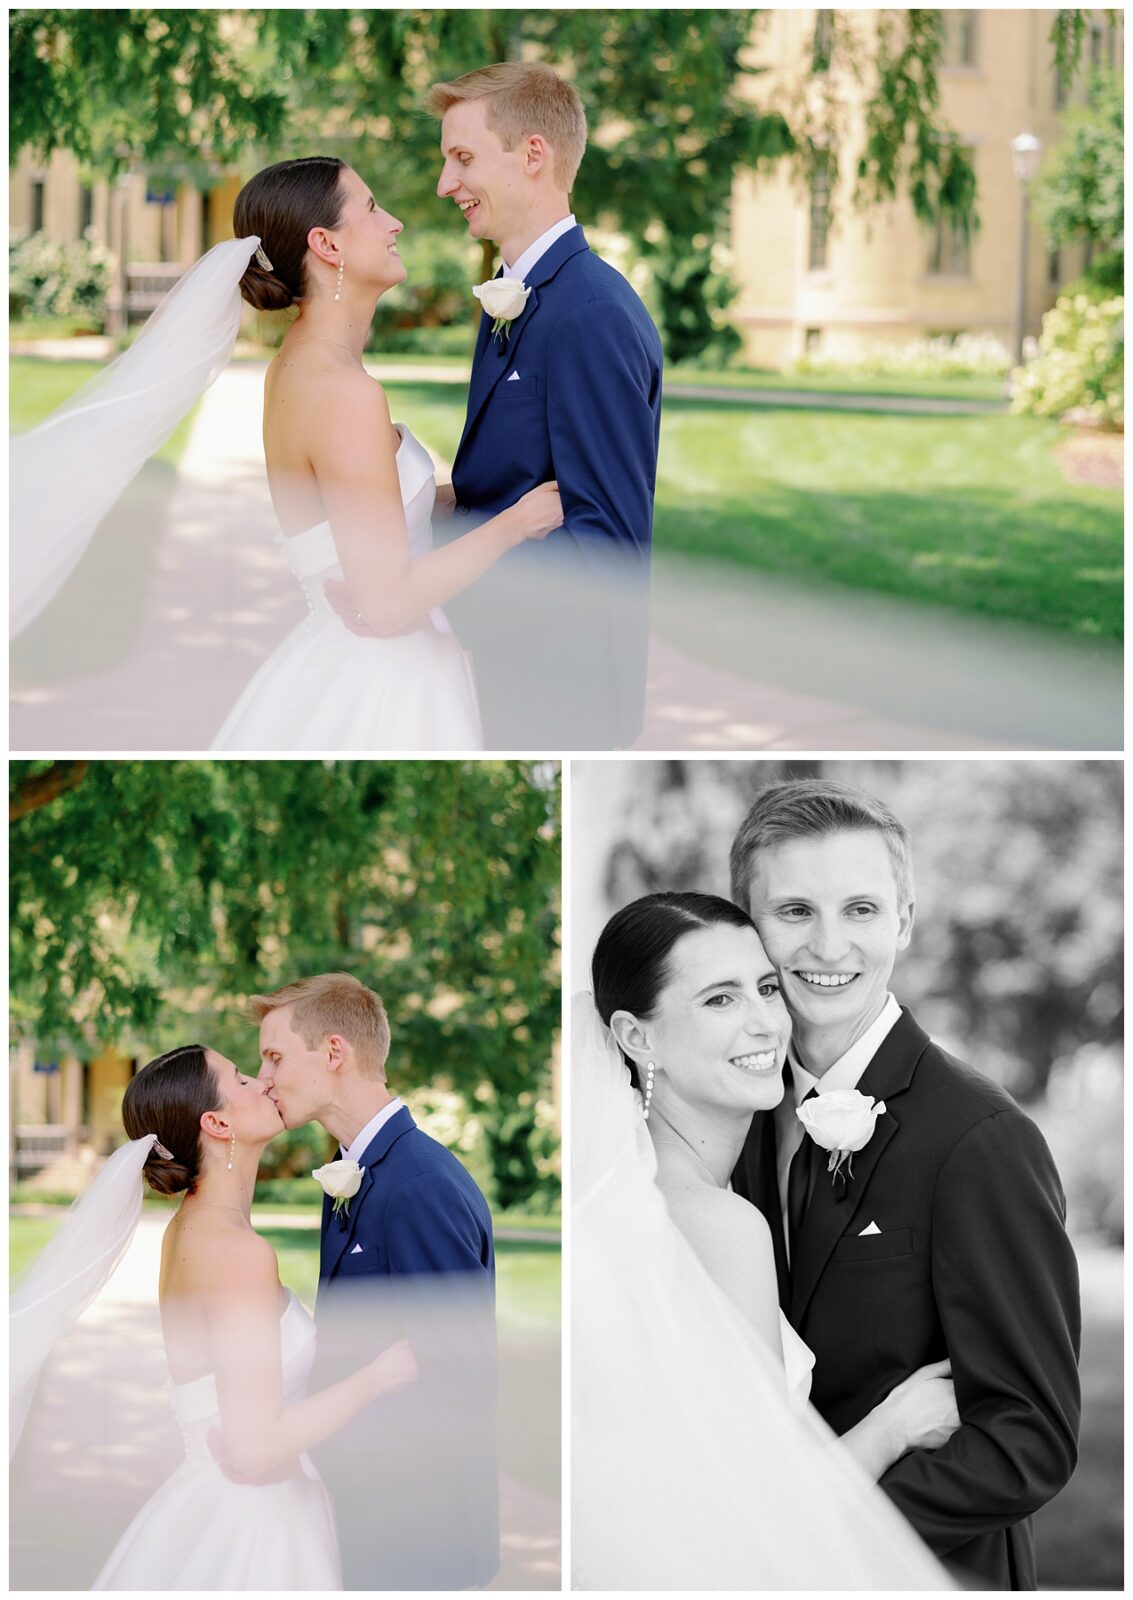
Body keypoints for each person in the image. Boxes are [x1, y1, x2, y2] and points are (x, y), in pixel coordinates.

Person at [10, 157, 563, 752]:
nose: (394, 222)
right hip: (385, 684)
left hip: (354, 660)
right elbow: (386, 604)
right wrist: (516, 524)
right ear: (326, 244)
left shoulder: (299, 368)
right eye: (372, 209)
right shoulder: (340, 392)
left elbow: (367, 509)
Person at [729, 778, 1082, 1589]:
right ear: (748, 926)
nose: (828, 947)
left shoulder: (979, 1140)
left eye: (860, 910)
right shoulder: (736, 1117)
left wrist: (822, 1530)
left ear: (904, 921)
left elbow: (1028, 1437)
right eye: (794, 911)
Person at [574, 891, 955, 1590]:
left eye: (767, 988)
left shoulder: (645, 1200)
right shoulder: (718, 1225)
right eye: (720, 999)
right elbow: (758, 1517)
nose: (765, 1023)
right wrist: (894, 1426)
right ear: (636, 1036)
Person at [333, 63, 663, 749]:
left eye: (462, 158)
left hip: (560, 697)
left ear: (532, 154)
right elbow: (502, 486)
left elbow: (604, 547)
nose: (444, 183)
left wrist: (432, 602)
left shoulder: (590, 314)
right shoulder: (511, 297)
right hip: (505, 678)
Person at [10, 1042, 417, 1590]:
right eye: (242, 1079)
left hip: (220, 1504)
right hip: (256, 1531)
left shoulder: (190, 1230)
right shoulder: (235, 1253)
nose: (264, 1081)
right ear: (217, 1123)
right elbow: (254, 1450)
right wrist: (378, 1377)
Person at [251, 973, 499, 1591]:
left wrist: (308, 1448)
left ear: (333, 1052)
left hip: (420, 1538)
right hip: (373, 1522)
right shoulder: (352, 1171)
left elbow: (458, 1385)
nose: (264, 1078)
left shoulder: (420, 1185)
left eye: (275, 1056)